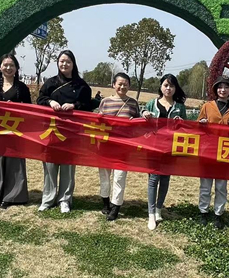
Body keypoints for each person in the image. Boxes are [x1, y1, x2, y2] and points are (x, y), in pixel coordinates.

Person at [37, 50, 92, 213]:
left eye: (68, 61)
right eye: (61, 61)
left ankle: (65, 200)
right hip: (51, 130)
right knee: (49, 165)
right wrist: (50, 102)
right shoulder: (51, 82)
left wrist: (74, 106)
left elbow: (88, 105)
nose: (64, 64)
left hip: (71, 132)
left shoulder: (81, 86)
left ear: (73, 64)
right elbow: (40, 99)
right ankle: (48, 199)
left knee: (68, 167)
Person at [0, 54, 32, 209]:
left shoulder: (22, 88)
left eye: (12, 65)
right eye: (5, 65)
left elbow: (30, 110)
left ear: (16, 68)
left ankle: (12, 196)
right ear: (0, 67)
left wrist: (17, 107)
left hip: (15, 131)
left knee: (14, 163)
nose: (8, 68)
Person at [142, 74, 187, 230]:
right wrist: (144, 114)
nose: (168, 88)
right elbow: (142, 120)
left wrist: (181, 123)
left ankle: (159, 208)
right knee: (153, 179)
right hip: (153, 147)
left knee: (165, 179)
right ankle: (151, 214)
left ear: (175, 88)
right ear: (161, 86)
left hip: (170, 148)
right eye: (166, 85)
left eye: (172, 86)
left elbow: (186, 128)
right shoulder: (151, 103)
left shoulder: (180, 107)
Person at [197, 76, 229, 229]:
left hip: (225, 152)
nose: (223, 90)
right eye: (220, 87)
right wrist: (201, 123)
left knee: (221, 186)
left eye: (226, 87)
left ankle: (218, 214)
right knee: (205, 184)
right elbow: (197, 126)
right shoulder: (207, 106)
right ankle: (203, 211)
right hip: (207, 151)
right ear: (216, 89)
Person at [98, 72, 140, 221]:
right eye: (120, 84)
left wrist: (134, 122)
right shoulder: (105, 102)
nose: (122, 87)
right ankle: (105, 202)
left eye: (125, 84)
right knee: (104, 176)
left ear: (129, 86)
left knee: (119, 177)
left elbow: (139, 123)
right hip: (106, 145)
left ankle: (116, 207)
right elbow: (98, 121)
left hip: (124, 147)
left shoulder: (133, 103)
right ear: (113, 85)